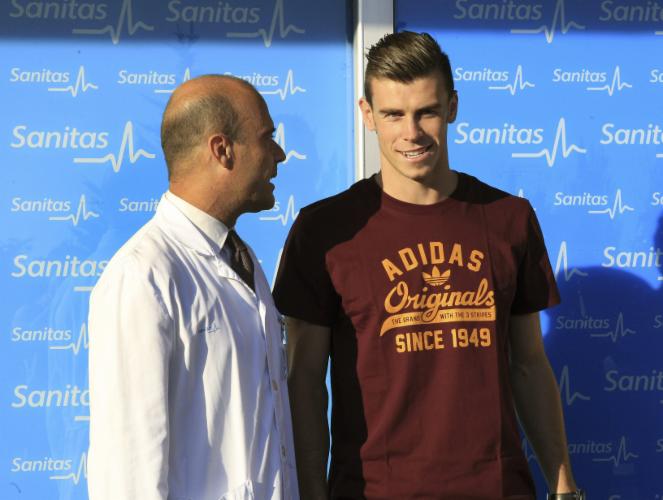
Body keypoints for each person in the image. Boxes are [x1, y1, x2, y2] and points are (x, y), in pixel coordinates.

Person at [273, 32, 582, 499]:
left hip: (497, 489)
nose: (411, 133)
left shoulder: (509, 219)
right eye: (393, 114)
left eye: (427, 112)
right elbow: (305, 382)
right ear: (367, 115)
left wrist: (564, 487)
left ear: (452, 107)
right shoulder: (324, 231)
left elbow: (529, 365)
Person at [87, 75, 299, 500]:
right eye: (266, 138)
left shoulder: (241, 259)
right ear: (222, 150)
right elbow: (129, 470)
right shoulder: (144, 275)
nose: (279, 154)